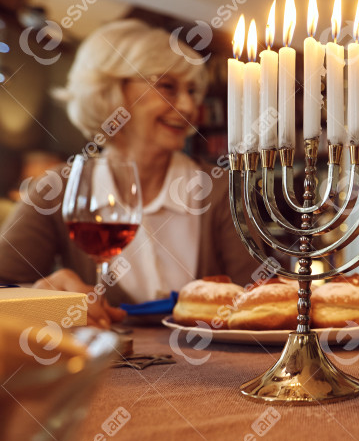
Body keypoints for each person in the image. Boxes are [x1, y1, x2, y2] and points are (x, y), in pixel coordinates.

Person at [0, 20, 261, 328]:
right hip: (100, 374)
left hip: (218, 374)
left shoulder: (222, 190)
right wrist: (40, 298)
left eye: (192, 90)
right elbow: (4, 290)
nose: (189, 106)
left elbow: (261, 299)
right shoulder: (58, 188)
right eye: (167, 86)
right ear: (111, 91)